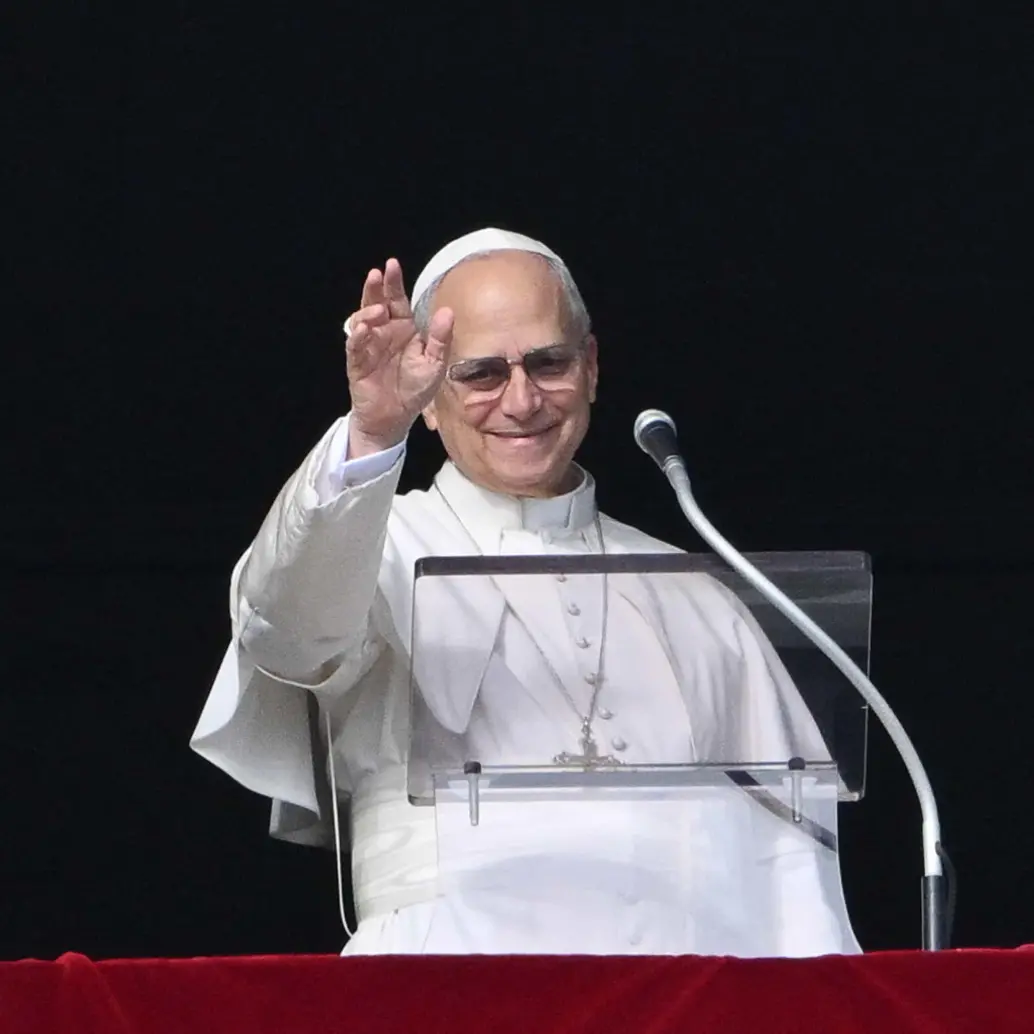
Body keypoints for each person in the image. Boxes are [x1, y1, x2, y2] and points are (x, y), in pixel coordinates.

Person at [191, 228, 860, 957]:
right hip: (445, 978)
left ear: (592, 366)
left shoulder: (691, 590)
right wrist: (374, 432)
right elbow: (286, 633)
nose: (521, 400)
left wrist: (817, 997)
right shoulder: (377, 546)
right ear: (430, 398)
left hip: (676, 987)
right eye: (480, 374)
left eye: (549, 363)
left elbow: (786, 860)